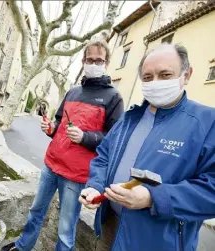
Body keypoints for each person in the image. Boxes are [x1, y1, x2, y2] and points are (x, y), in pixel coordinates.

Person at [79, 44, 215, 251]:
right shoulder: (129, 118)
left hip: (158, 242)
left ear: (186, 75)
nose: (155, 83)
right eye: (148, 77)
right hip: (110, 225)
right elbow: (104, 156)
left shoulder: (206, 123)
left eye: (165, 74)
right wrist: (95, 185)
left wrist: (153, 198)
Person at [2, 40, 124, 251]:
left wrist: (85, 137)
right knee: (35, 212)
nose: (93, 63)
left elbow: (113, 140)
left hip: (75, 176)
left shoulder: (114, 97)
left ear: (107, 63)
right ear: (83, 61)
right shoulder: (73, 92)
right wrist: (51, 128)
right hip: (51, 165)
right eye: (90, 59)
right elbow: (59, 122)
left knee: (65, 229)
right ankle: (23, 246)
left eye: (99, 60)